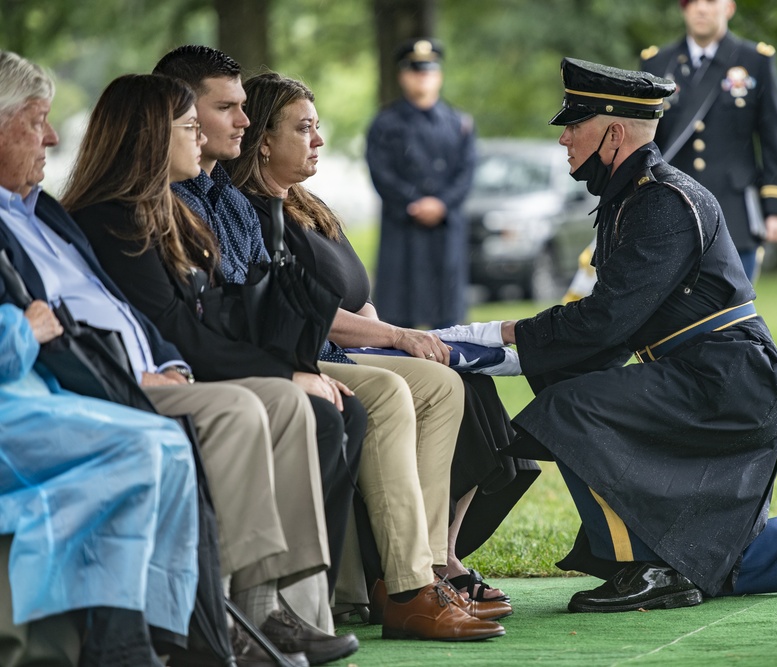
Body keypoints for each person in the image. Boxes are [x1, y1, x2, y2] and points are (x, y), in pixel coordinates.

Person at [439, 57, 777, 612]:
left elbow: (605, 322)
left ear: (613, 133)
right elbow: (609, 337)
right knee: (700, 555)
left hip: (727, 385)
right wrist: (488, 351)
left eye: (575, 124)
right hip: (711, 377)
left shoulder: (661, 201)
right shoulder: (632, 198)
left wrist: (486, 336)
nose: (565, 138)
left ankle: (639, 567)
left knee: (569, 412)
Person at [0, 52, 348, 665]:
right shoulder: (108, 218)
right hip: (100, 385)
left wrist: (175, 365)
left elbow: (141, 320)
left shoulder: (49, 213)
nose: (52, 136)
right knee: (250, 407)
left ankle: (268, 606)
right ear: (150, 138)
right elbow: (148, 323)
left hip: (155, 372)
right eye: (37, 121)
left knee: (297, 405)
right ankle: (215, 613)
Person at [224, 70, 509, 641]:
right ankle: (406, 584)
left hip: (348, 343)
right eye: (304, 128)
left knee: (446, 382)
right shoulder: (245, 208)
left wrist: (385, 328)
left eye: (318, 127)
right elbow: (289, 311)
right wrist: (398, 337)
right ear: (264, 138)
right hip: (304, 353)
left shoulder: (303, 202)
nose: (319, 140)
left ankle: (427, 569)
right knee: (400, 386)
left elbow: (347, 290)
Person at [0, 301, 199, 667]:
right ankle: (116, 641)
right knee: (138, 447)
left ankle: (158, 634)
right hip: (12, 408)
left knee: (170, 443)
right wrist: (23, 331)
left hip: (37, 391)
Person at [639, 0, 777, 283]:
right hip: (673, 212)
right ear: (683, 8)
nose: (701, 9)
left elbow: (774, 136)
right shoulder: (657, 62)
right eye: (692, 2)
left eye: (710, 1)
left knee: (733, 315)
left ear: (729, 8)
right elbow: (646, 142)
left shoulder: (755, 60)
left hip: (734, 212)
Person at [365, 38, 476, 328]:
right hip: (404, 229)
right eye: (415, 71)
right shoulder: (385, 123)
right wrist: (414, 202)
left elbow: (466, 173)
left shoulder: (459, 123)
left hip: (445, 227)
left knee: (449, 321)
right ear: (403, 76)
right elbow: (381, 172)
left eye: (429, 70)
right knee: (398, 319)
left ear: (438, 76)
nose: (422, 77)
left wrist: (440, 204)